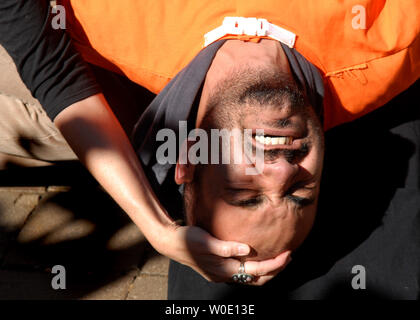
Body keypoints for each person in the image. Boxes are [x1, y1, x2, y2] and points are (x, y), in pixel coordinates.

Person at [0, 0, 419, 298]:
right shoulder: (390, 48)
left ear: (188, 159)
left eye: (244, 193)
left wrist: (158, 229)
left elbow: (52, 73)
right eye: (299, 194)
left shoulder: (100, 27)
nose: (280, 173)